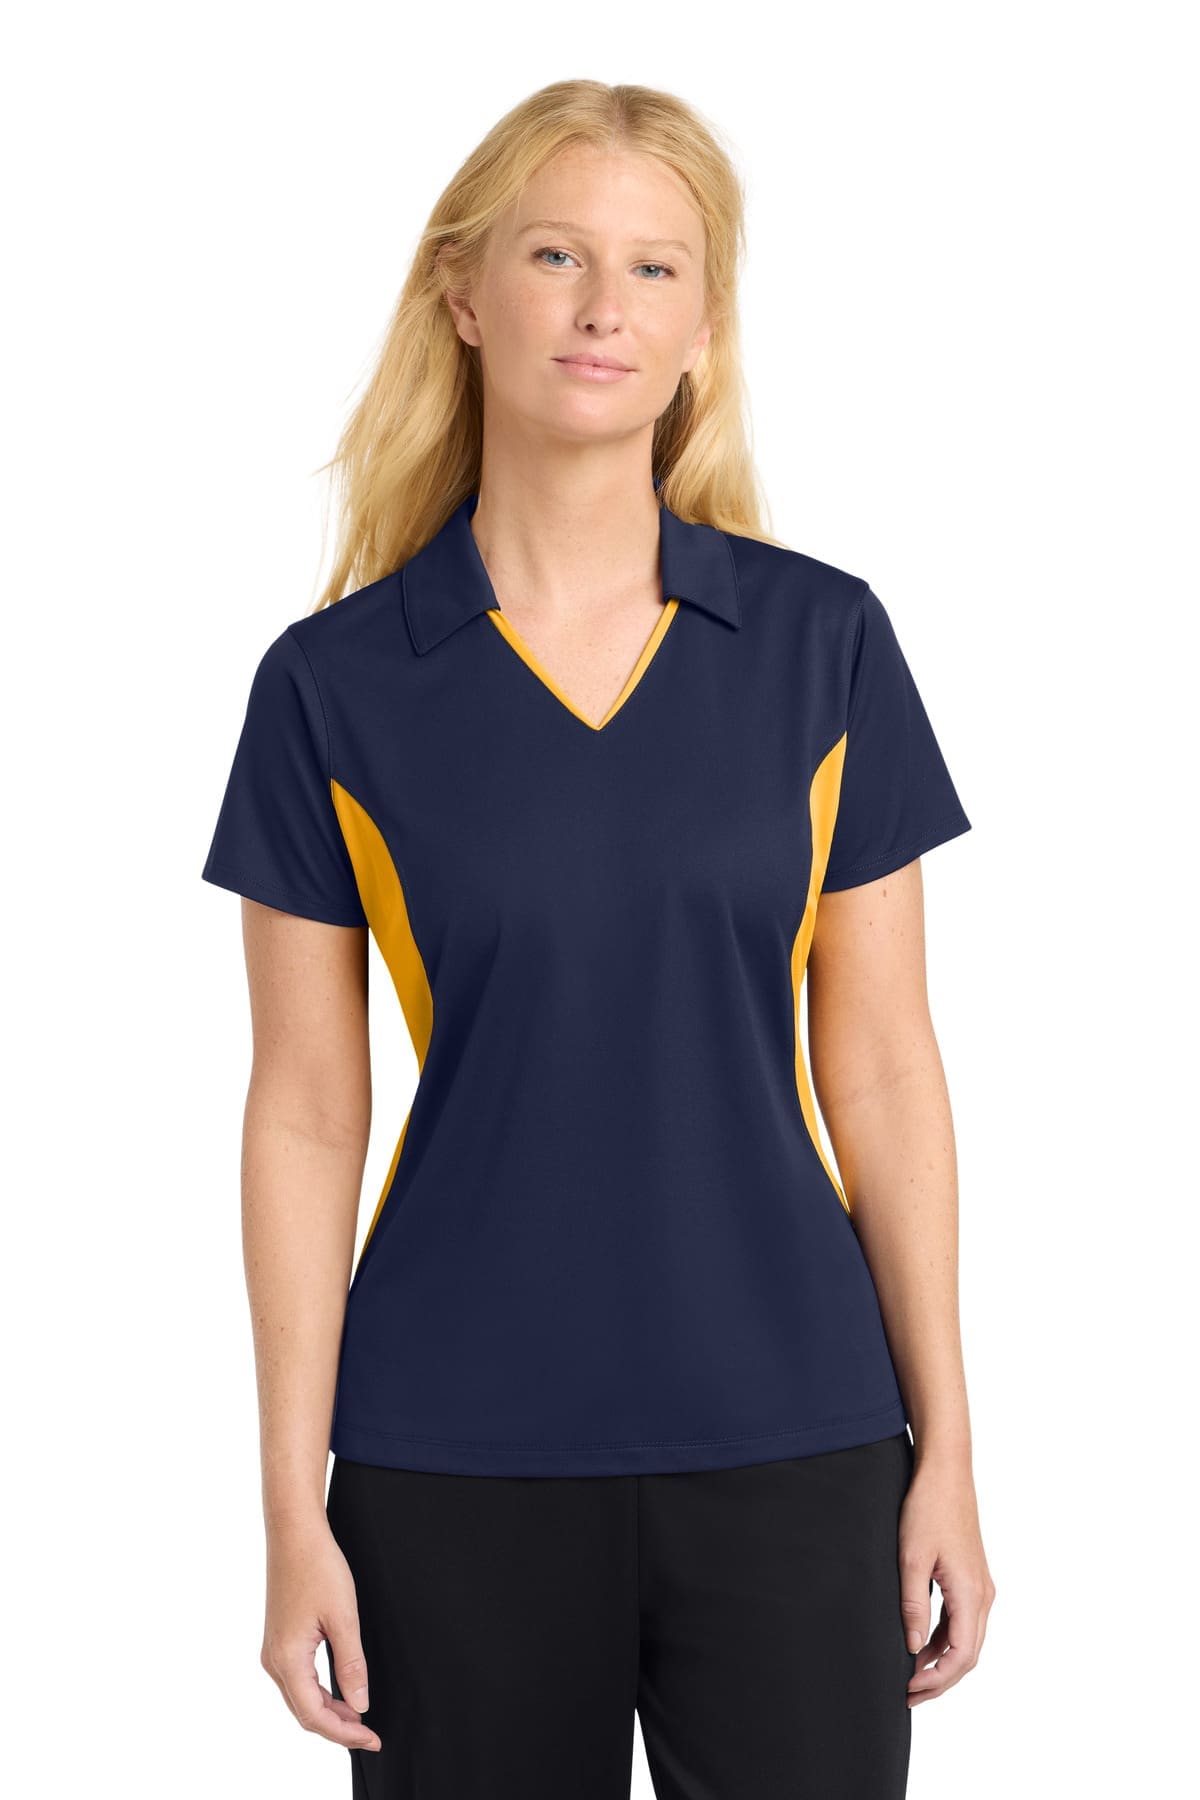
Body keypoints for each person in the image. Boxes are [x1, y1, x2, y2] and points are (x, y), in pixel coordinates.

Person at [200, 78, 994, 1800]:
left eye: (653, 268)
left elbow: (882, 1066)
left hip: (796, 1440)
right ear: (463, 293)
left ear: (704, 328)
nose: (601, 307)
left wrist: (949, 1448)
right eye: (556, 255)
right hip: (449, 1460)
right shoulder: (334, 689)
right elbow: (306, 1114)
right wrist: (287, 1507)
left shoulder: (822, 647)